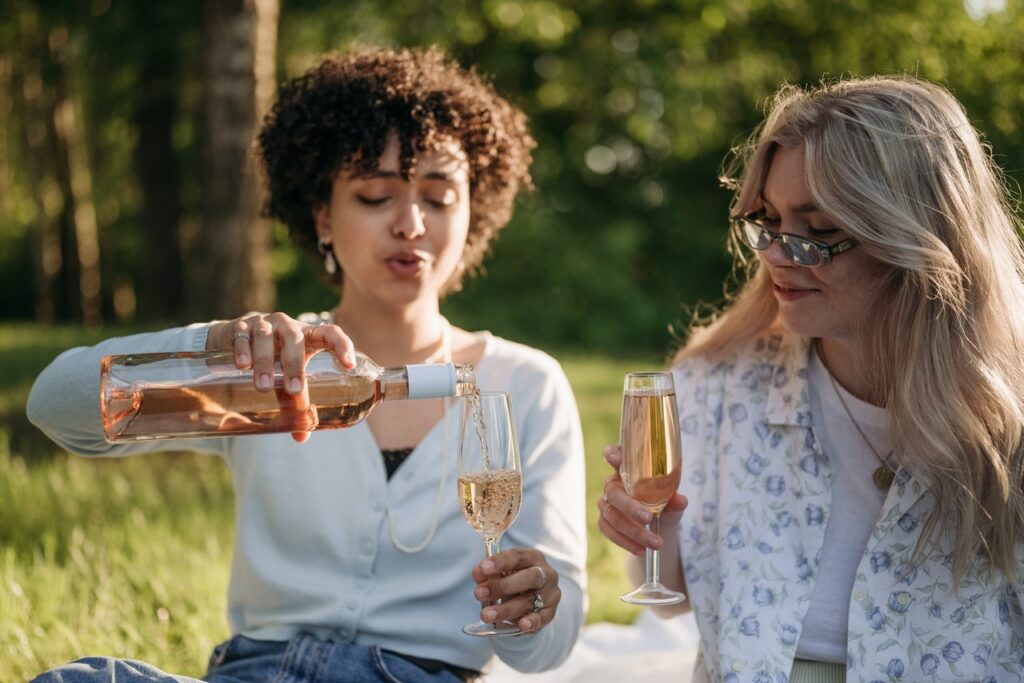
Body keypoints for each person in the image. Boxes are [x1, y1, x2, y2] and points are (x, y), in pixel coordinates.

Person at [27, 46, 587, 682]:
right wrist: (207, 348)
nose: (410, 223)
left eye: (439, 196)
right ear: (323, 216)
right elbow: (52, 407)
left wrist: (530, 609)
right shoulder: (268, 364)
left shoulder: (527, 385)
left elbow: (552, 646)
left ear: (473, 211)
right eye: (376, 195)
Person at [597, 75, 1024, 682]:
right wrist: (652, 538)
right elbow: (671, 597)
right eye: (768, 220)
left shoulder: (1008, 415)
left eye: (819, 231)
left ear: (919, 238)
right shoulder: (715, 386)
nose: (776, 253)